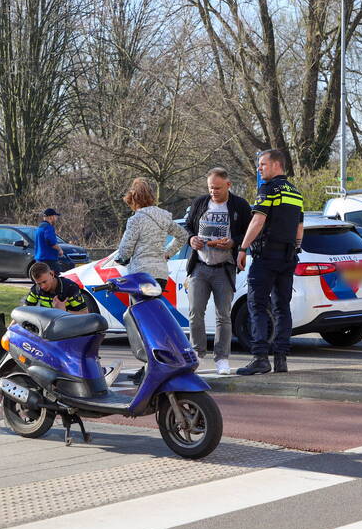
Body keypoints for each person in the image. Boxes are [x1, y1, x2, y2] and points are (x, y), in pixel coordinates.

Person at [236, 149, 304, 376]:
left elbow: (258, 220)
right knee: (282, 307)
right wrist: (294, 248)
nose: (259, 168)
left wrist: (243, 248)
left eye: (262, 164)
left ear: (276, 165)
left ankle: (260, 358)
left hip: (266, 257)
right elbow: (299, 228)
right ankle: (281, 360)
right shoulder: (295, 193)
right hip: (287, 258)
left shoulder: (268, 189)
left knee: (256, 305)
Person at [183, 167, 253, 375]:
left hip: (224, 268)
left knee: (223, 315)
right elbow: (187, 226)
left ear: (228, 185)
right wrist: (191, 239)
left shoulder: (239, 205)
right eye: (210, 188)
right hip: (200, 266)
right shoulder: (200, 203)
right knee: (195, 313)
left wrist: (233, 242)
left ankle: (222, 358)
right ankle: (197, 353)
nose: (213, 191)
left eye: (218, 188)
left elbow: (250, 233)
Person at [114, 178, 188, 290]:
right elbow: (183, 235)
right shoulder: (164, 218)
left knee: (138, 307)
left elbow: (126, 250)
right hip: (161, 275)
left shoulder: (136, 220)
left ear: (133, 200)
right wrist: (168, 253)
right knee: (154, 306)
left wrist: (120, 258)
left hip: (140, 274)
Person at [34, 208, 64, 274]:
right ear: (51, 217)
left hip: (39, 259)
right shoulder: (48, 227)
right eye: (55, 216)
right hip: (49, 260)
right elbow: (50, 241)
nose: (56, 218)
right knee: (55, 280)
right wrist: (59, 250)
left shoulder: (39, 227)